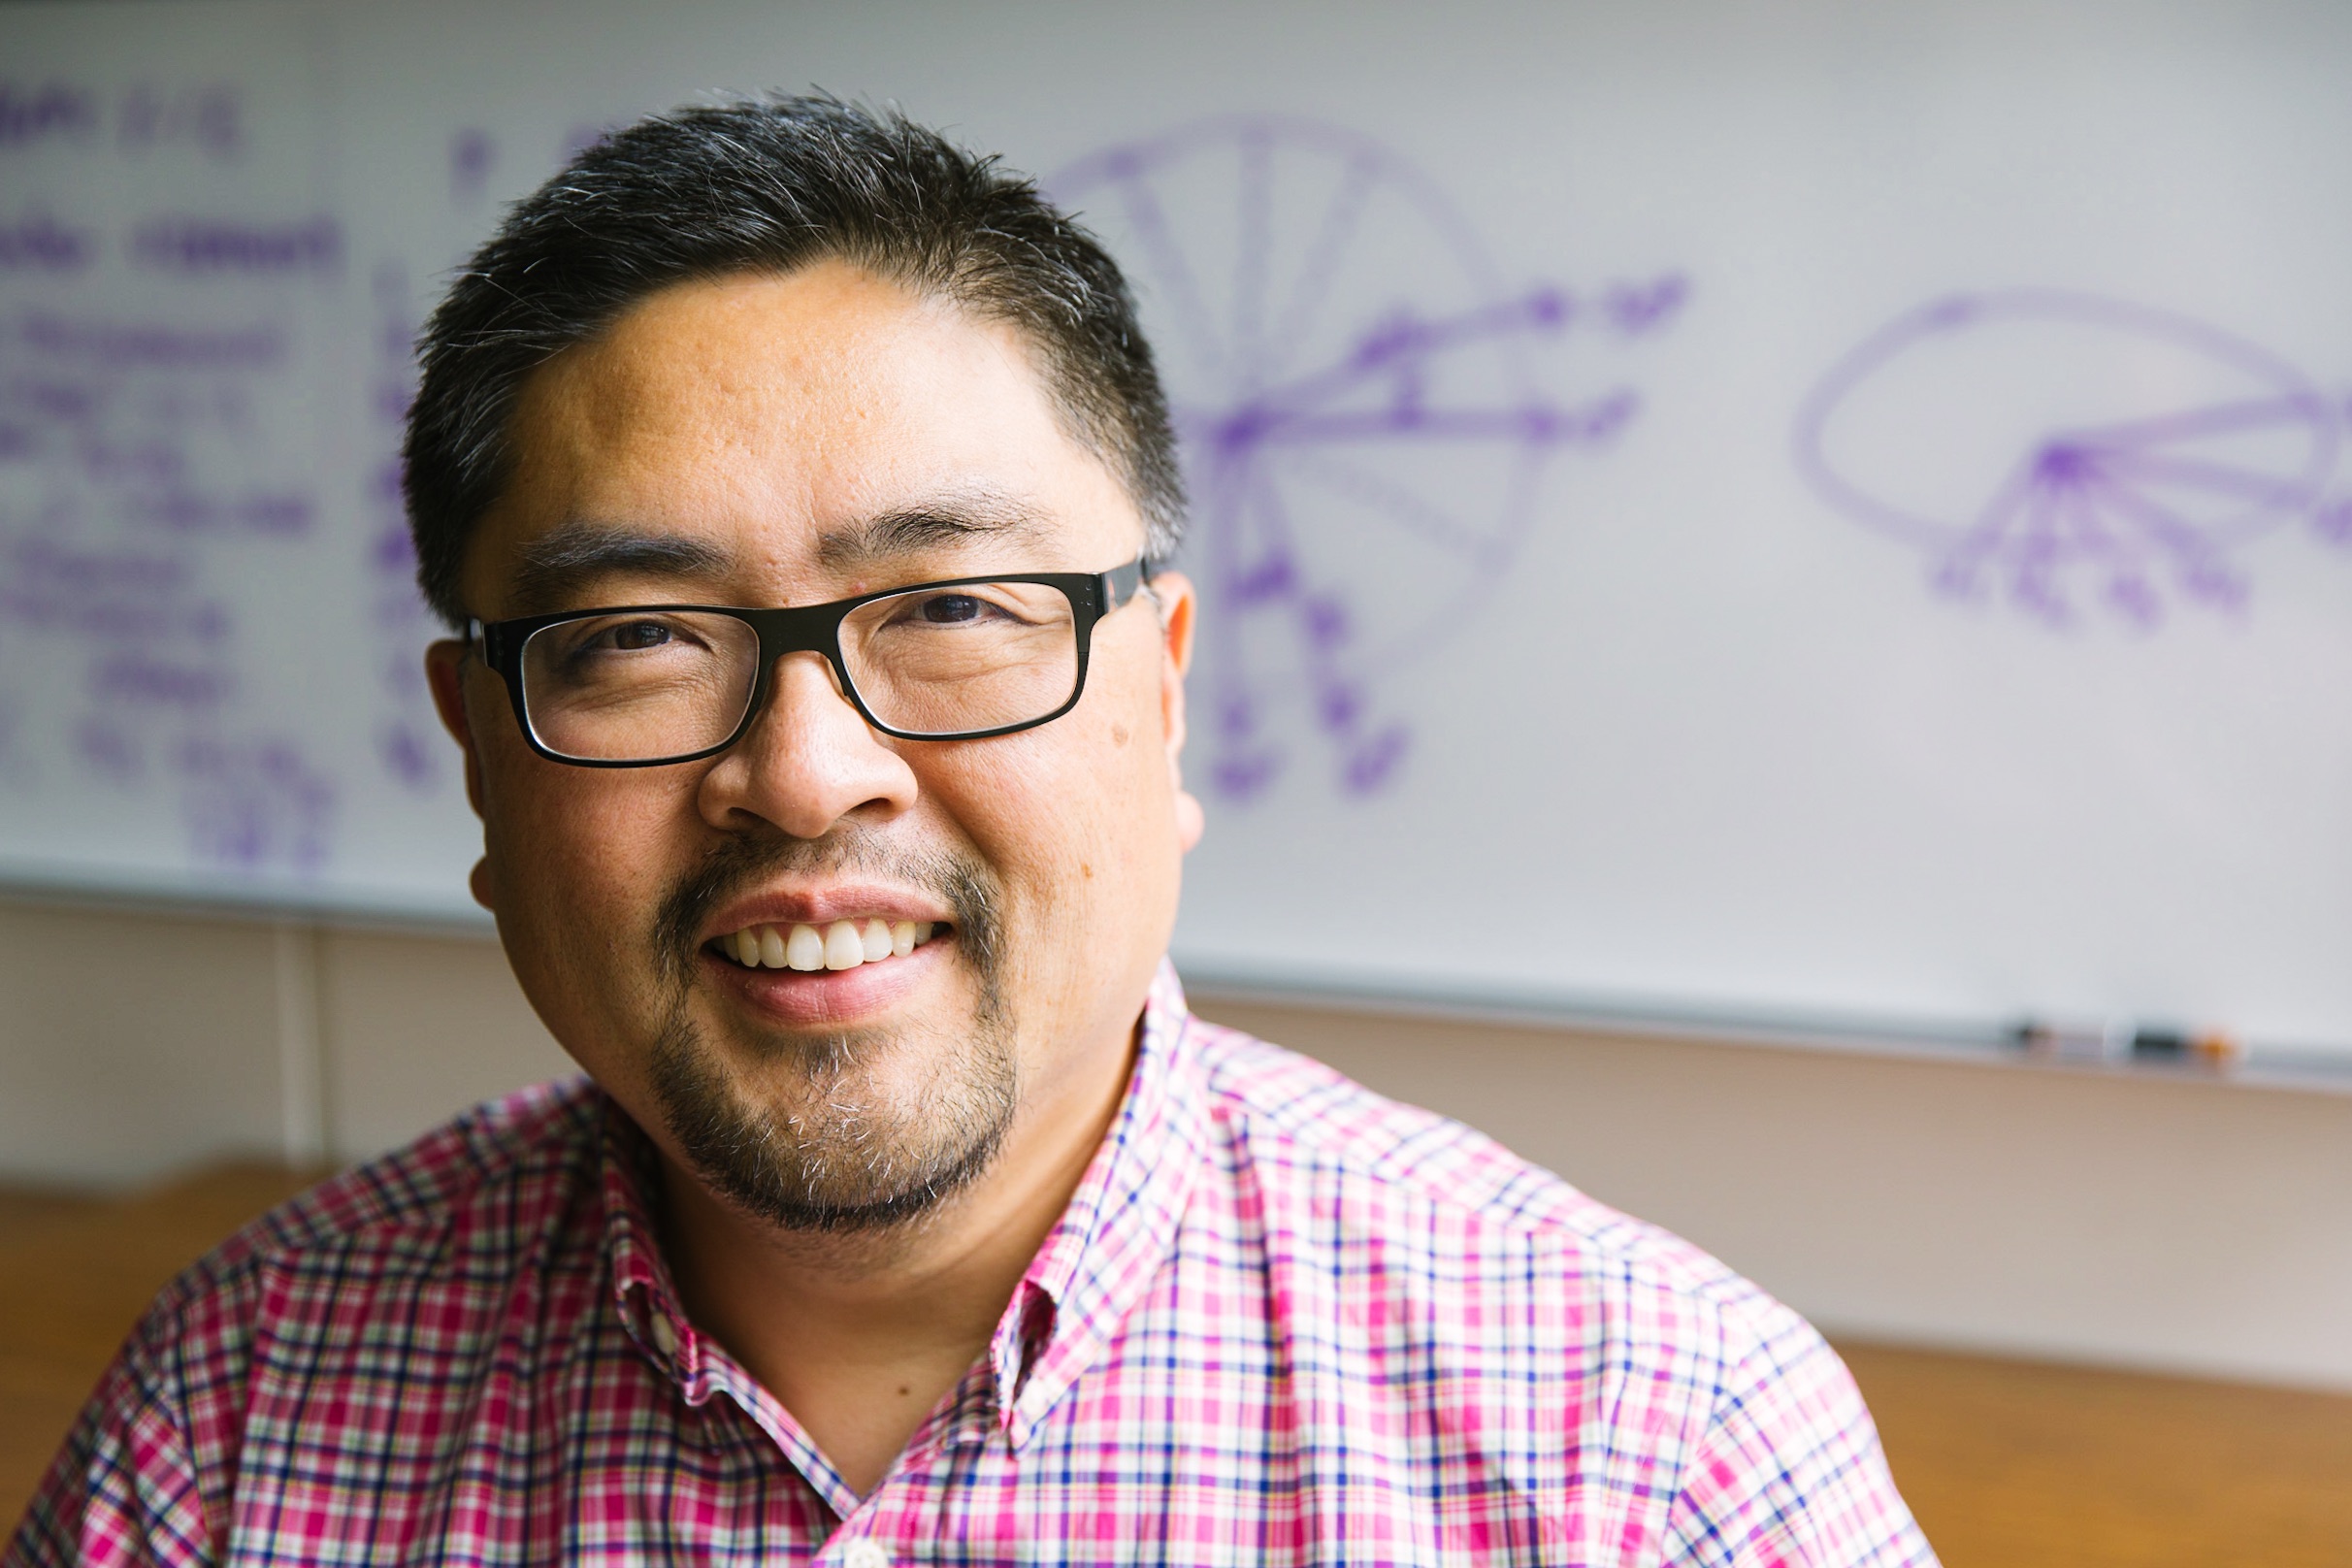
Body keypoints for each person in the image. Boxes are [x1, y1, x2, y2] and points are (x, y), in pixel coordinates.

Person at [9, 97, 1934, 1566]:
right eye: (642, 641)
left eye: (947, 610)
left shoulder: (1650, 1456)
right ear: (481, 764)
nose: (804, 770)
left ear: (1161, 690)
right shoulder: (236, 1423)